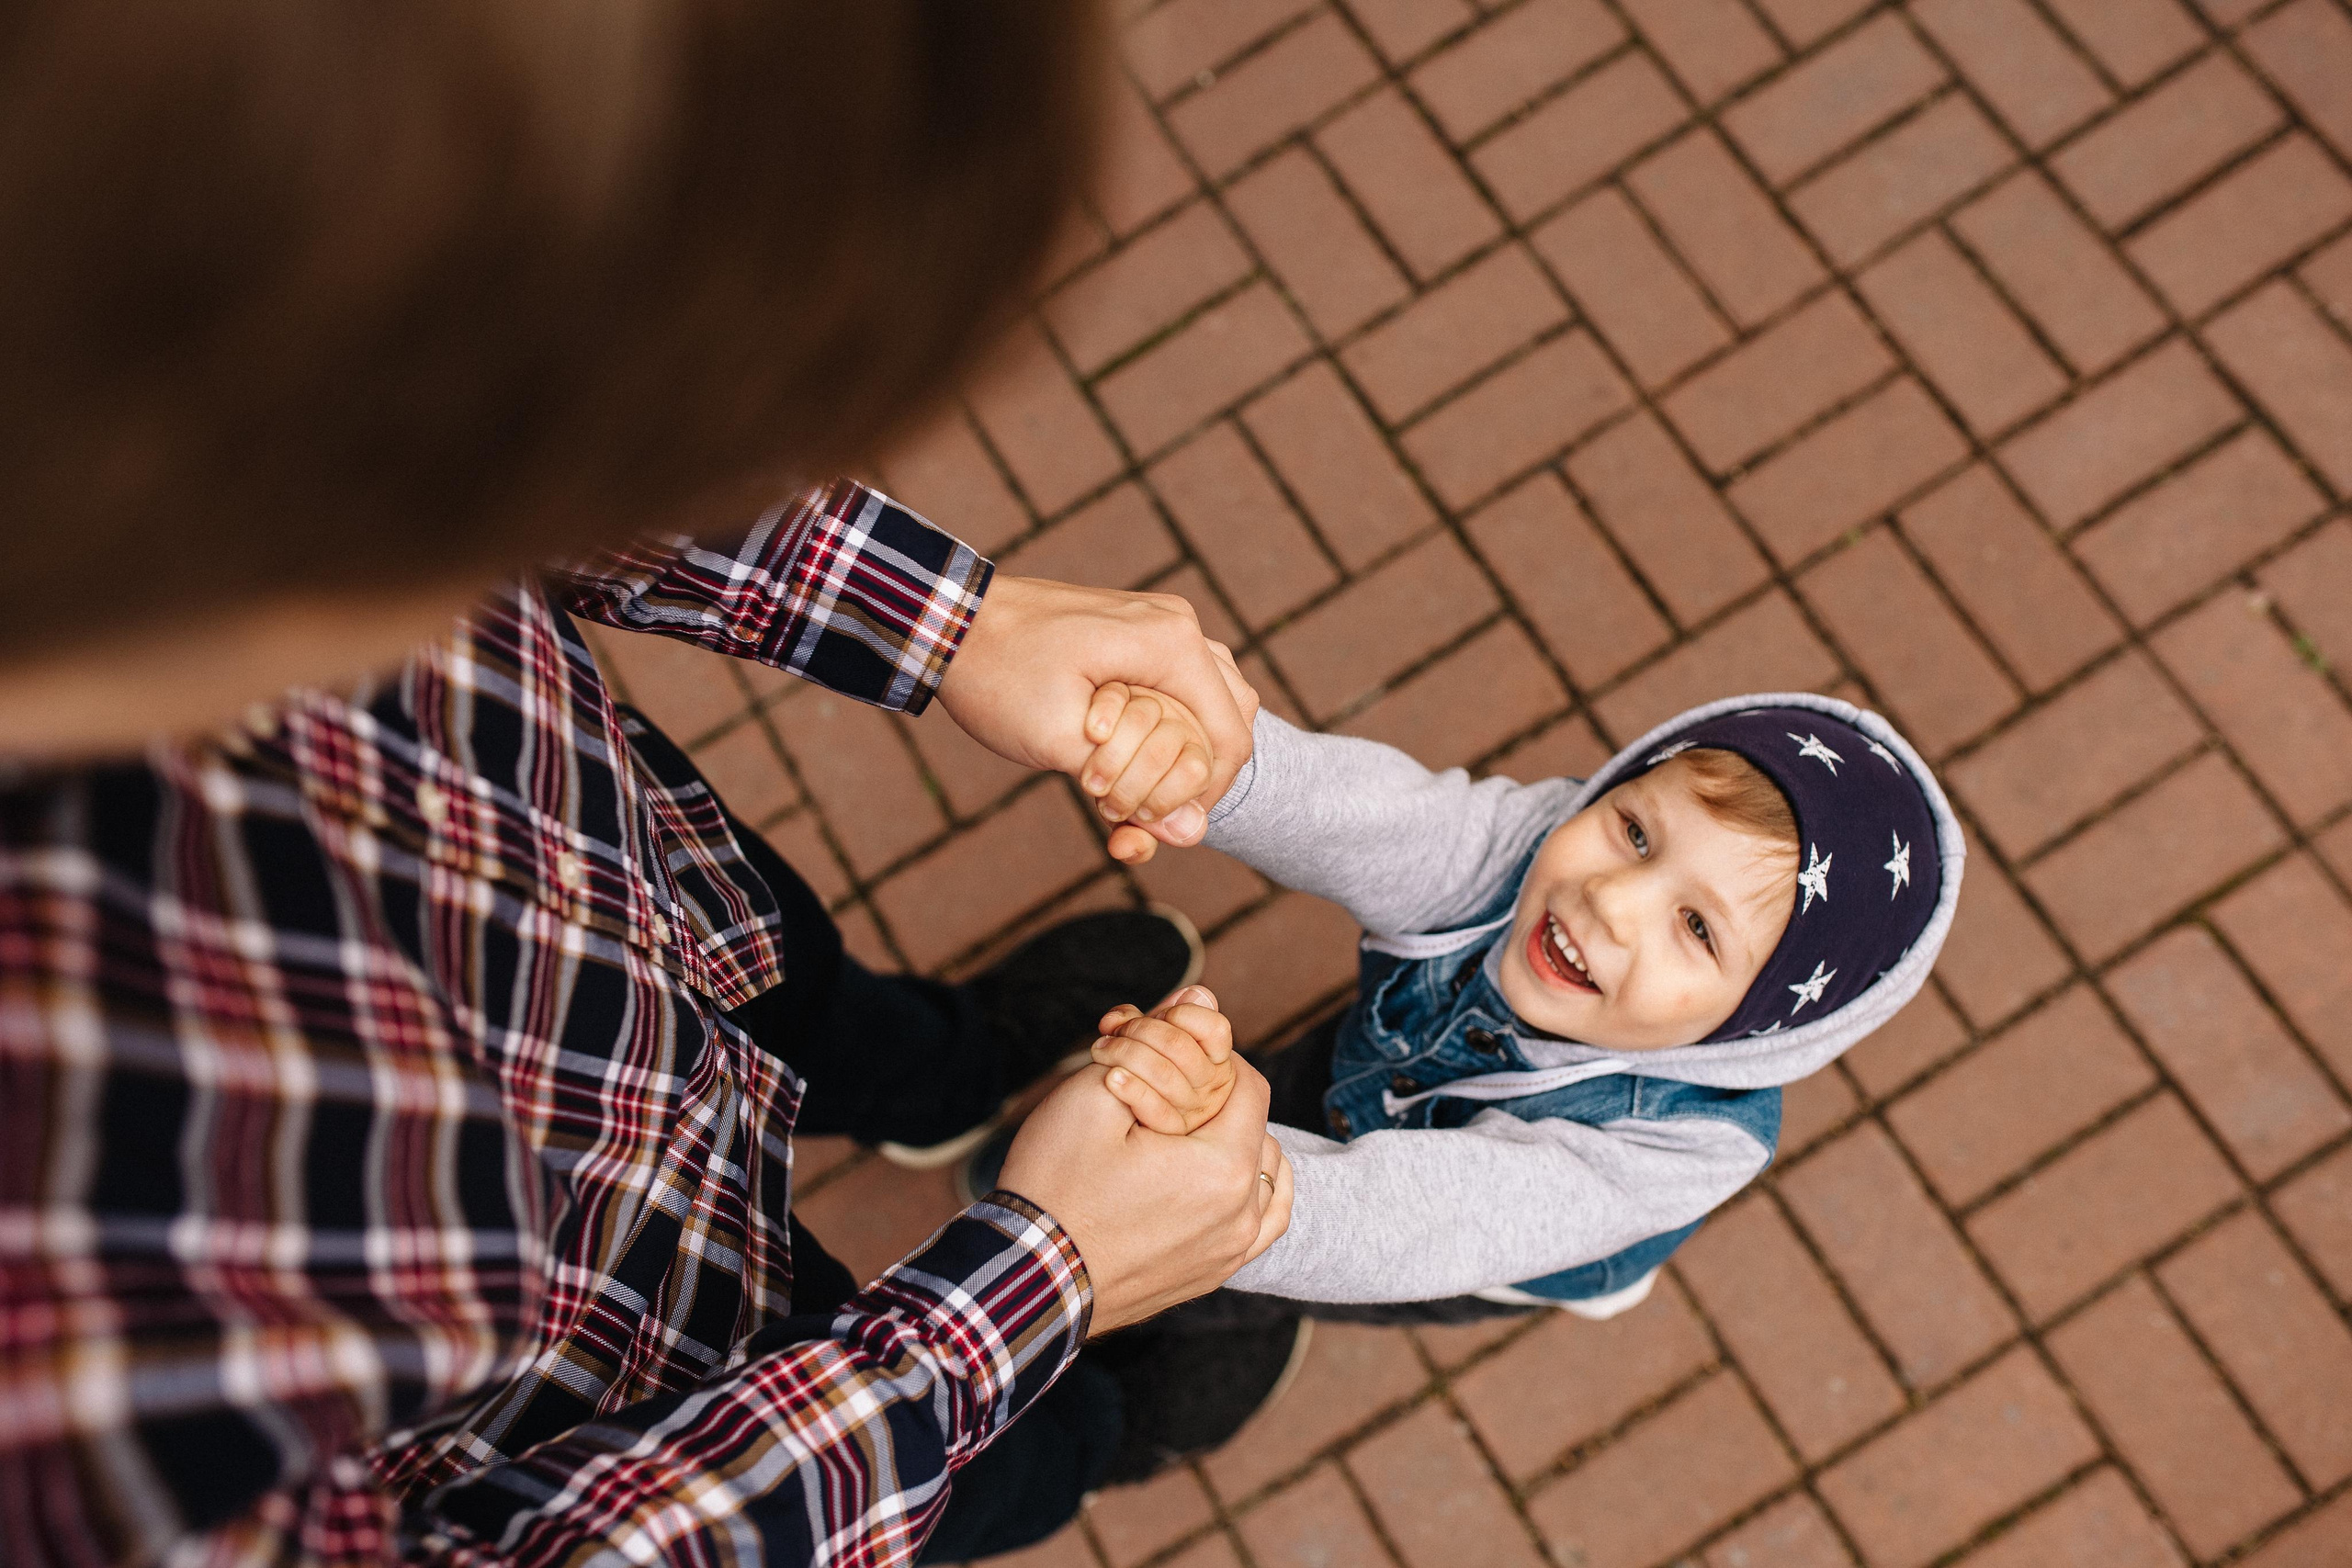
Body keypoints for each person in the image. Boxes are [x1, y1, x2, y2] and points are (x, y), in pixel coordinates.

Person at [0, 6, 1295, 1566]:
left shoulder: (120, 205)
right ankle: (1099, 1424)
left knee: (815, 992)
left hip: (649, 901)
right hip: (685, 1399)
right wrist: (1029, 1288)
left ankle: (938, 1073)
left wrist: (945, 621)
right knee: (993, 1471)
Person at [1012, 690, 1962, 1321]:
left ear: (1755, 1024)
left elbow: (1425, 1220)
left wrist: (1222, 1192)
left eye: (1699, 930)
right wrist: (1211, 771)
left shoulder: (1686, 1146)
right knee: (1293, 1086)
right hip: (1373, 1077)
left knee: (1238, 1294)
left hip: (1474, 1242)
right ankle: (1106, 1186)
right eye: (1634, 831)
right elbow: (1369, 819)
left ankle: (1148, 1411)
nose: (1614, 901)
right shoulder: (1529, 841)